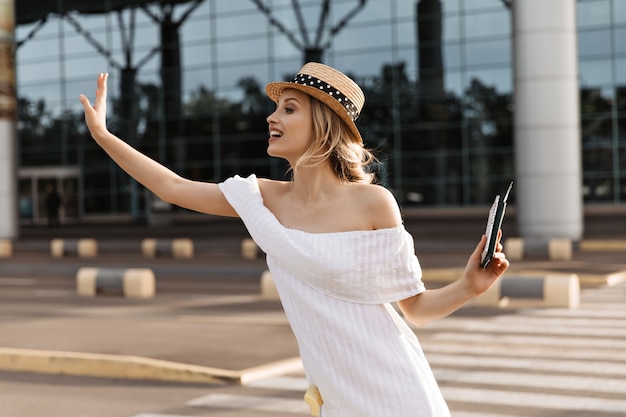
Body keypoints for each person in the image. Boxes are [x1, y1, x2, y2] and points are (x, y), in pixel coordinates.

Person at [80, 63, 509, 417]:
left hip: (399, 392)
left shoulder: (374, 204)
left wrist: (470, 285)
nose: (272, 118)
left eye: (289, 109)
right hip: (336, 399)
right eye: (276, 110)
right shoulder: (261, 199)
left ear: (323, 124)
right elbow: (172, 187)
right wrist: (103, 136)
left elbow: (414, 309)